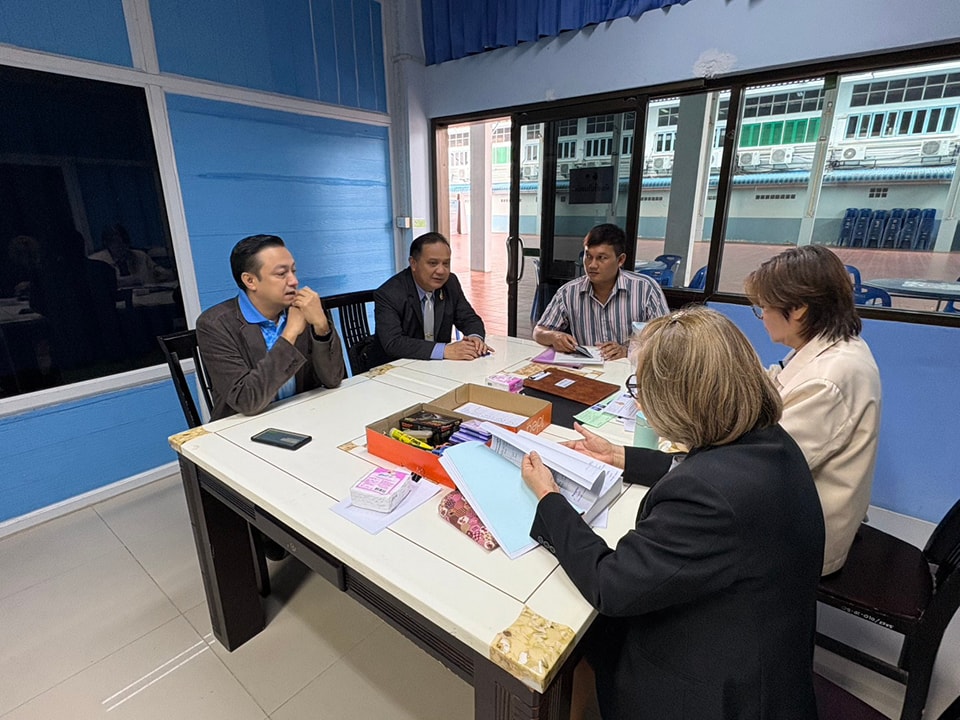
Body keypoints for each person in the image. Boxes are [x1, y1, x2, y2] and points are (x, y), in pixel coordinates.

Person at [521, 307, 824, 720]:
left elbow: (611, 584)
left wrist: (550, 498)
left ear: (678, 398)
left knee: (577, 629)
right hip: (764, 649)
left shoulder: (705, 497)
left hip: (713, 691)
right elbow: (706, 469)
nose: (638, 399)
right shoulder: (769, 442)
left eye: (640, 387)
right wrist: (620, 456)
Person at [744, 245, 881, 576]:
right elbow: (779, 383)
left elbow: (761, 469)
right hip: (801, 506)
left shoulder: (829, 378)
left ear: (798, 309)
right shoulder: (832, 347)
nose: (762, 317)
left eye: (763, 307)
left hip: (805, 539)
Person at [197, 234, 345, 421]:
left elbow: (333, 380)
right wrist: (290, 333)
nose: (294, 281)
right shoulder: (215, 325)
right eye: (281, 274)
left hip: (304, 416)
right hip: (245, 427)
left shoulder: (305, 307)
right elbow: (247, 401)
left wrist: (321, 327)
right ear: (250, 281)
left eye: (293, 271)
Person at [533, 223, 668, 360]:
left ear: (620, 260)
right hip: (587, 367)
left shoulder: (645, 289)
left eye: (601, 258)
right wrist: (554, 336)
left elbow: (667, 339)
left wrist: (627, 351)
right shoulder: (569, 292)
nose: (592, 265)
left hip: (629, 368)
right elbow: (539, 331)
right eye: (588, 256)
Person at [373, 232, 492, 361]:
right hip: (397, 366)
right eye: (433, 263)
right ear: (413, 263)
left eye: (446, 263)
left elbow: (469, 319)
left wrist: (475, 338)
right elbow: (393, 343)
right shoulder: (389, 293)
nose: (441, 271)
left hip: (437, 366)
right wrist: (444, 350)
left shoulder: (450, 283)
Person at [89, 223, 173, 288]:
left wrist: (164, 274)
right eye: (116, 242)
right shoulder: (96, 261)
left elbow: (159, 272)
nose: (121, 246)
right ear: (106, 243)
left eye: (124, 242)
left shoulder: (140, 256)